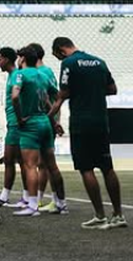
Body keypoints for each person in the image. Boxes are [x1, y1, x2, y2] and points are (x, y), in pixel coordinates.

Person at [50, 37, 127, 229]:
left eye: (57, 56)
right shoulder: (99, 62)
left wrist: (50, 115)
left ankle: (100, 214)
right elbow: (112, 89)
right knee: (107, 167)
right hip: (101, 120)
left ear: (60, 50)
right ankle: (118, 215)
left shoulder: (68, 63)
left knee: (86, 168)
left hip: (81, 121)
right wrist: (92, 90)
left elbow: (63, 93)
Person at [10, 46, 66, 217]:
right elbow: (56, 97)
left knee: (30, 165)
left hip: (30, 124)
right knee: (52, 165)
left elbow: (14, 96)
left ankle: (33, 205)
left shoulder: (20, 74)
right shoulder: (43, 75)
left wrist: (19, 118)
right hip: (44, 122)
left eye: (19, 57)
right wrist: (52, 120)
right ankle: (62, 203)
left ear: (23, 59)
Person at [0, 47, 28, 208]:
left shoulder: (16, 75)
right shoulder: (11, 76)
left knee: (17, 160)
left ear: (7, 60)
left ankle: (22, 196)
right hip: (13, 122)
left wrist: (19, 118)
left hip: (17, 123)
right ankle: (10, 195)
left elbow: (19, 98)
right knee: (13, 160)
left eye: (0, 58)